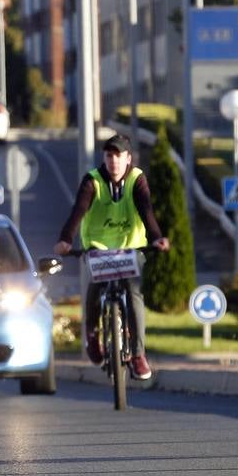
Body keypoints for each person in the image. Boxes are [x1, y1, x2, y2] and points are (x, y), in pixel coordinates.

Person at [54, 132, 169, 381]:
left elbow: (145, 208)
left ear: (128, 159)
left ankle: (138, 354)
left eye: (118, 156)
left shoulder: (137, 179)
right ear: (104, 158)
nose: (113, 161)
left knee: (133, 291)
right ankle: (93, 335)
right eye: (109, 156)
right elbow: (78, 211)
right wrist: (66, 239)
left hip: (131, 248)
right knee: (95, 286)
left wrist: (156, 237)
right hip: (98, 247)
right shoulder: (93, 180)